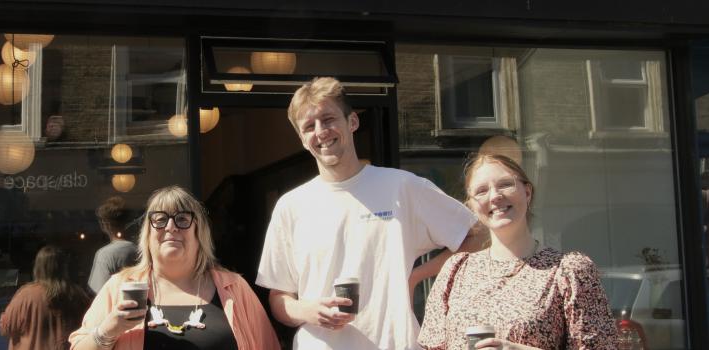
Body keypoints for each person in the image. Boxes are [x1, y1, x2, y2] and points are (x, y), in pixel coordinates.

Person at [256, 77, 483, 350]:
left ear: (352, 122)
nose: (321, 131)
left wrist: (416, 276)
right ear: (303, 140)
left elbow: (477, 237)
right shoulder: (291, 206)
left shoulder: (402, 187)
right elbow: (279, 297)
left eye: (328, 119)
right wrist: (308, 311)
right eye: (309, 127)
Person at [418, 154, 618, 349]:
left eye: (505, 184)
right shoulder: (456, 270)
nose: (495, 196)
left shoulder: (568, 270)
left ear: (527, 192)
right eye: (481, 191)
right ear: (471, 205)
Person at [69, 186, 281, 350]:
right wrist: (109, 329)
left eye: (182, 219)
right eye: (160, 220)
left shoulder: (234, 288)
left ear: (199, 234)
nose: (171, 227)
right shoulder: (120, 287)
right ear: (148, 236)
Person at [0, 245, 91, 350]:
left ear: (38, 267)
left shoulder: (26, 295)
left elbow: (6, 328)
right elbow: (89, 329)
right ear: (64, 267)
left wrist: (4, 316)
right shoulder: (78, 295)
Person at [88, 196, 139, 295]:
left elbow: (98, 292)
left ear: (105, 224)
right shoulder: (140, 250)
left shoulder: (105, 254)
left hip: (114, 308)